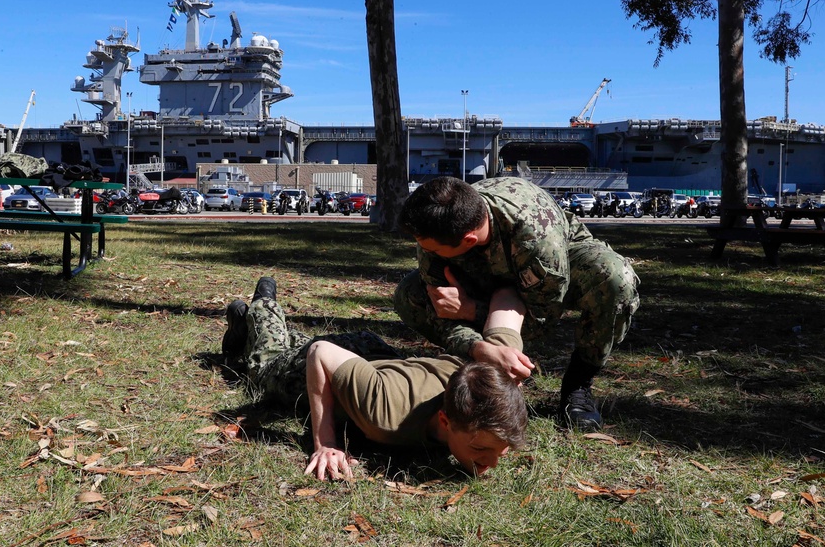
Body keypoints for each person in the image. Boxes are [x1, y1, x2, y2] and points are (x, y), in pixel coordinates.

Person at [221, 277, 529, 481]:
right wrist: (325, 441)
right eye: (480, 450)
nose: (493, 462)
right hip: (338, 367)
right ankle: (262, 305)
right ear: (445, 421)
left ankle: (241, 333)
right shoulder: (387, 415)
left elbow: (508, 296)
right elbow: (321, 354)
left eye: (501, 450)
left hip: (371, 360)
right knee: (266, 365)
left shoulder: (499, 380)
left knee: (293, 346)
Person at [395, 176, 640, 430]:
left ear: (468, 240)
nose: (425, 251)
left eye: (432, 250)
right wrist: (478, 347)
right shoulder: (437, 228)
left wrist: (471, 310)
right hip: (484, 275)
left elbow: (541, 320)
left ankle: (578, 383)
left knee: (614, 277)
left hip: (556, 264)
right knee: (409, 294)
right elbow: (442, 309)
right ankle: (477, 368)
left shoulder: (538, 237)